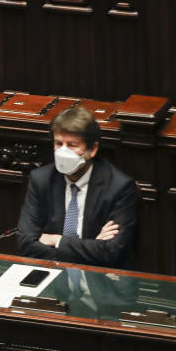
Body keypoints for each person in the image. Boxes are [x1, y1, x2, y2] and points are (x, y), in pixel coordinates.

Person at [17, 106, 138, 268]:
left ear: (92, 149)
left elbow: (111, 252)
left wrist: (56, 240)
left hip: (102, 282)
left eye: (72, 145)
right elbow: (26, 244)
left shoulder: (118, 187)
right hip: (52, 275)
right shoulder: (41, 179)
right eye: (58, 144)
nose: (63, 152)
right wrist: (92, 245)